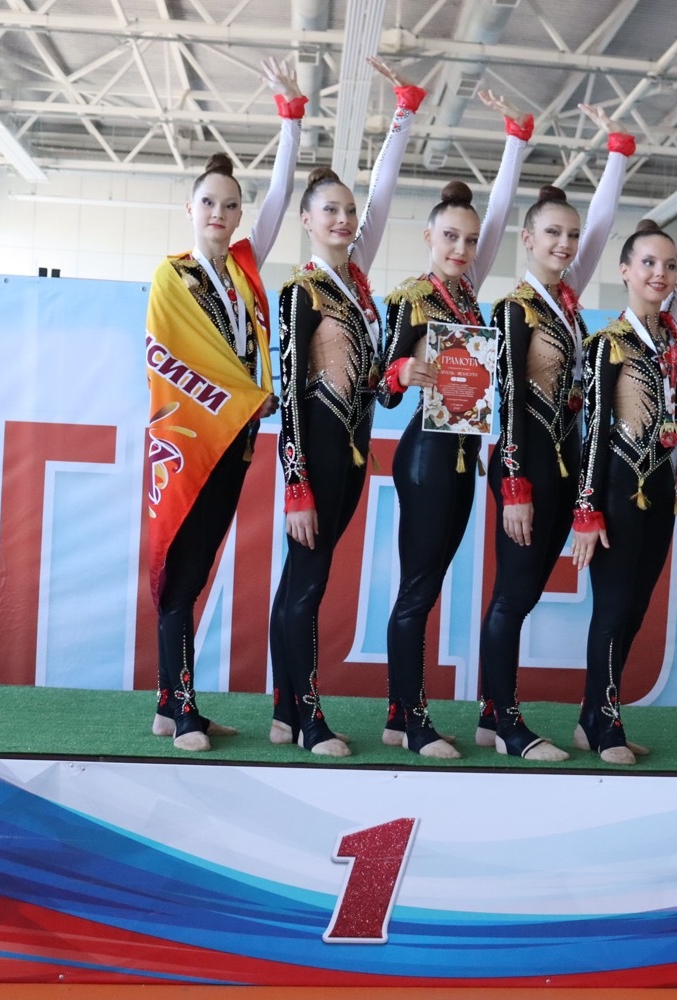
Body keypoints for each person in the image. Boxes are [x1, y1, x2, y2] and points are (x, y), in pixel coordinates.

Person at [145, 59, 306, 752]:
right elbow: (181, 361)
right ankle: (181, 708)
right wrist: (251, 396)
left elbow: (281, 196)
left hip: (236, 442)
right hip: (191, 442)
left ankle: (169, 702)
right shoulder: (171, 276)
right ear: (191, 209)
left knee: (198, 572)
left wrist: (290, 119)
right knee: (182, 576)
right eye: (209, 203)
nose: (220, 213)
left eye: (231, 206)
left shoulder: (243, 270)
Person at [569, 132, 677, 765]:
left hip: (660, 494)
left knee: (636, 610)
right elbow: (593, 433)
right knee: (614, 609)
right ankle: (604, 724)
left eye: (668, 267)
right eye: (648, 264)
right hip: (615, 493)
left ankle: (593, 717)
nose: (662, 274)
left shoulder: (672, 334)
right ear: (624, 271)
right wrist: (587, 510)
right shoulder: (607, 344)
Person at [269, 58, 424, 757]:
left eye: (349, 211)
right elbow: (291, 402)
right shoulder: (301, 293)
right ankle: (306, 718)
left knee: (306, 582)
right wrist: (296, 486)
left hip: (353, 454)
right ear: (306, 220)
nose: (343, 219)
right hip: (317, 457)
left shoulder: (358, 292)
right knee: (305, 587)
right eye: (329, 210)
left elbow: (373, 387)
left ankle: (283, 710)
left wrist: (401, 373)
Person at [376, 94, 533, 758]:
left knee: (430, 587)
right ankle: (412, 720)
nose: (463, 248)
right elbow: (381, 389)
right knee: (416, 593)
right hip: (426, 459)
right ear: (429, 238)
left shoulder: (470, 301)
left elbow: (498, 216)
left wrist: (515, 143)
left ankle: (397, 715)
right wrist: (401, 371)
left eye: (470, 241)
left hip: (465, 456)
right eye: (451, 238)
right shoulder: (412, 298)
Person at [477, 105, 635, 761]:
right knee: (513, 597)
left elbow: (601, 225)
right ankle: (506, 724)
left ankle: (492, 714)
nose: (567, 245)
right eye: (553, 234)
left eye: (572, 235)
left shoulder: (566, 309)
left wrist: (616, 154)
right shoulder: (514, 309)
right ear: (527, 239)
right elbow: (510, 398)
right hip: (525, 467)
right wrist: (515, 485)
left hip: (562, 465)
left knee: (524, 594)